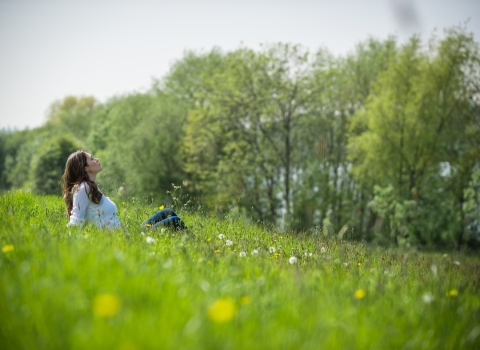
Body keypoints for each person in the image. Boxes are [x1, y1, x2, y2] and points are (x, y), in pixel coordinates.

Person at [62, 150, 187, 230]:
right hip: (121, 238)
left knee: (168, 211)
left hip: (125, 233)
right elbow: (76, 220)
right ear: (85, 168)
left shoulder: (92, 187)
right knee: (174, 221)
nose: (97, 159)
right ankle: (199, 248)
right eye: (92, 159)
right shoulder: (83, 188)